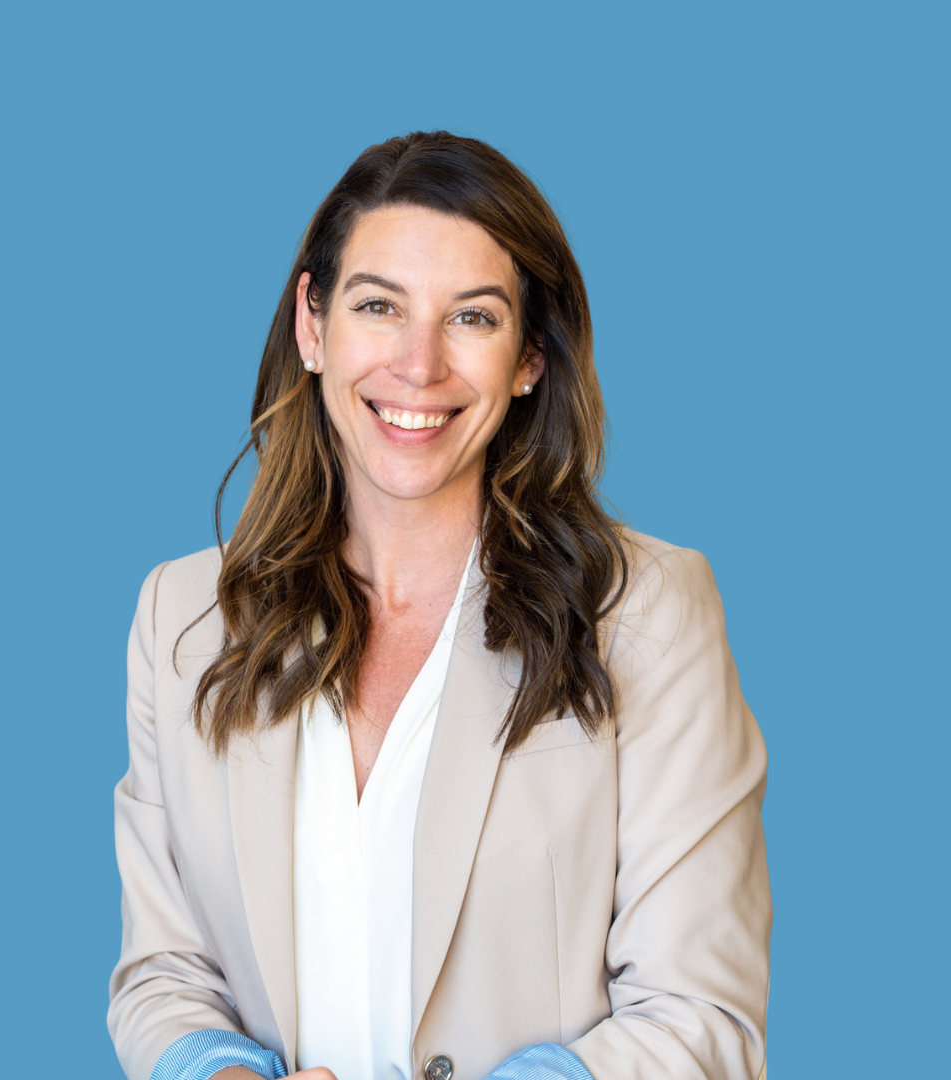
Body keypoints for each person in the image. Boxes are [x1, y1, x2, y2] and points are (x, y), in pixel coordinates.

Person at [109, 131, 772, 1080]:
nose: (419, 365)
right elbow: (163, 972)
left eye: (472, 317)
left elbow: (702, 1013)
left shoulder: (650, 615)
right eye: (378, 306)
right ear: (312, 326)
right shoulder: (181, 618)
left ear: (530, 356)